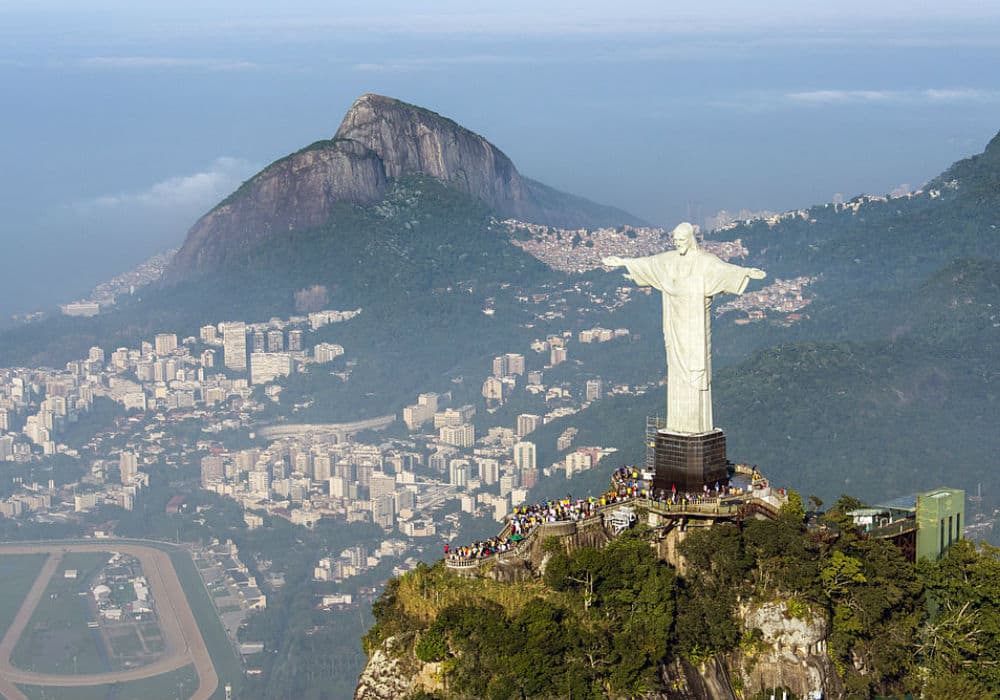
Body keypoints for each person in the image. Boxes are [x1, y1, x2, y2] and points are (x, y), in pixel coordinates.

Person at [603, 223, 765, 434]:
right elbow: (650, 264)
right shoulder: (669, 261)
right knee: (677, 371)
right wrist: (623, 262)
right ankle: (678, 426)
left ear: (690, 239)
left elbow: (724, 270)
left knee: (695, 371)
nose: (677, 244)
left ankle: (696, 427)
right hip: (674, 323)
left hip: (695, 325)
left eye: (681, 241)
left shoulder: (704, 262)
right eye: (675, 241)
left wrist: (746, 272)